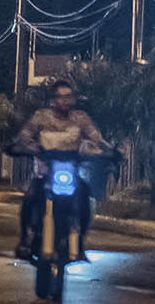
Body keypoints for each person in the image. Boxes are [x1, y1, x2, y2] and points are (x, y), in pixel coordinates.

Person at [12, 79, 110, 261]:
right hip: (45, 170)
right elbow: (25, 134)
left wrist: (109, 150)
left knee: (85, 197)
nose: (64, 101)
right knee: (30, 197)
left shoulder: (80, 118)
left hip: (71, 170)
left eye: (68, 97)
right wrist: (25, 146)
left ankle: (80, 242)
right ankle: (25, 239)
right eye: (60, 97)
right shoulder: (41, 116)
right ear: (53, 100)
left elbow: (96, 137)